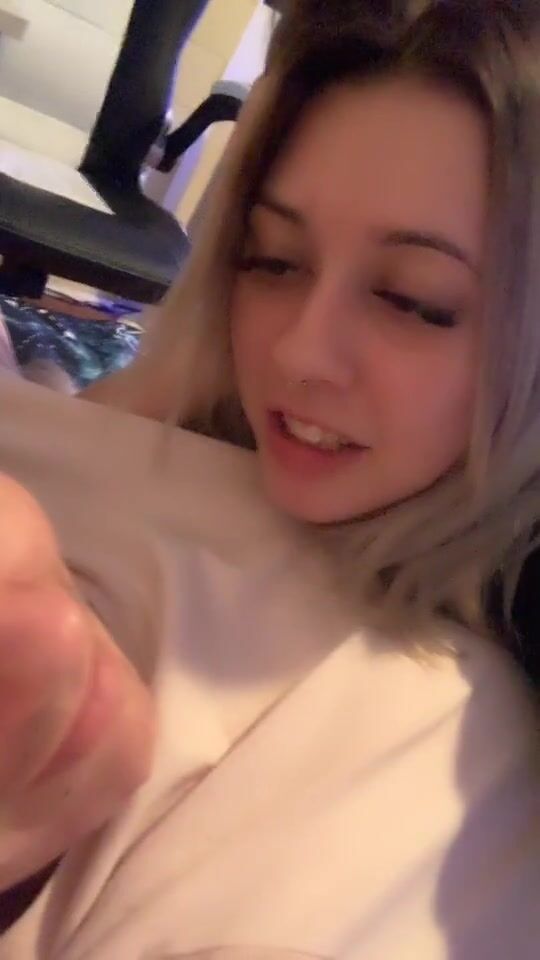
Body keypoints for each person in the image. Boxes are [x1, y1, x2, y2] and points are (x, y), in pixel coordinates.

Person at [1, 0, 540, 955]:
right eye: (273, 260)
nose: (297, 352)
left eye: (414, 302)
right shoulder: (191, 402)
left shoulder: (450, 727)